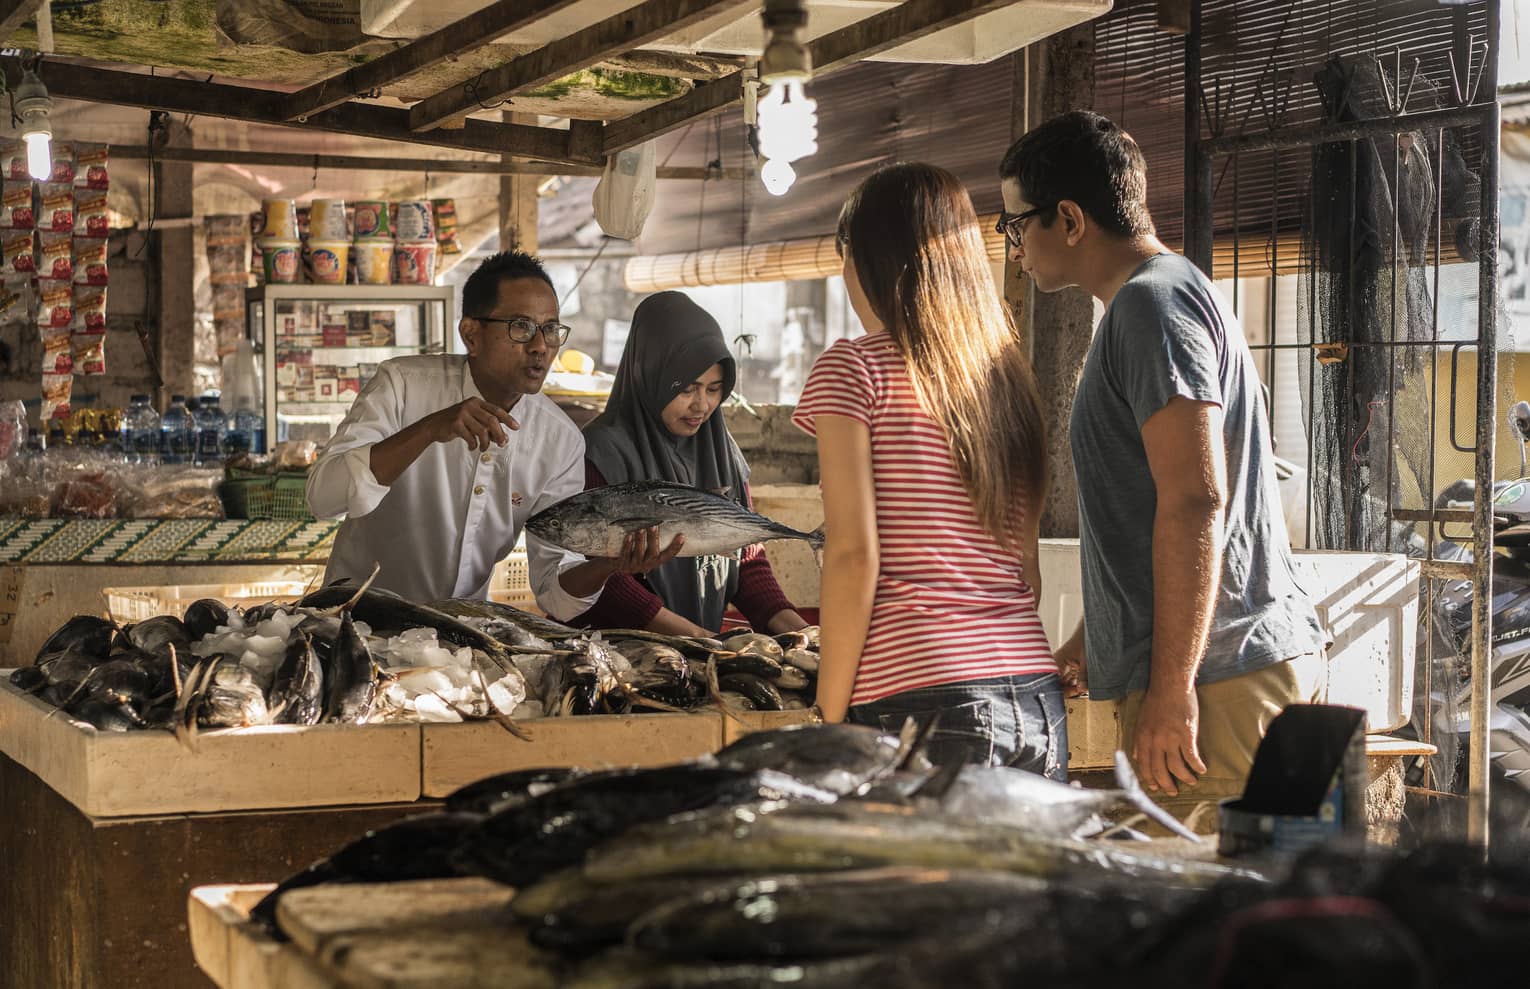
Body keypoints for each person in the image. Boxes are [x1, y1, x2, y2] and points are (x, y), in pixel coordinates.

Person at [999, 111, 1328, 819]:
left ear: (1069, 218)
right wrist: (1095, 640)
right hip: (1204, 675)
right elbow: (1145, 507)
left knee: (1206, 917)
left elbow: (1195, 500)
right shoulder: (1144, 304)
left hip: (1217, 684)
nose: (1013, 247)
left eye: (1015, 224)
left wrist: (1174, 688)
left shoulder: (1153, 304)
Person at [791, 162, 1065, 778]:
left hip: (921, 696)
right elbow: (1026, 570)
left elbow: (854, 556)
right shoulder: (1006, 379)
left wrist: (827, 718)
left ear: (872, 260)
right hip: (1034, 692)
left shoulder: (852, 370)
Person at [308, 250, 679, 618]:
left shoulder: (560, 441)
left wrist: (610, 565)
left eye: (550, 329)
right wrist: (427, 430)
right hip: (354, 622)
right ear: (471, 333)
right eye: (521, 327)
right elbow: (324, 498)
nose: (540, 346)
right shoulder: (403, 385)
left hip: (455, 640)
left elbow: (554, 590)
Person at [574, 291, 809, 637]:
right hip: (616, 650)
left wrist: (800, 632)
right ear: (650, 374)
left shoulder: (720, 451)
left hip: (698, 648)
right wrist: (701, 640)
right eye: (687, 389)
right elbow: (598, 578)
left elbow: (745, 561)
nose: (702, 405)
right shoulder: (601, 452)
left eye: (714, 389)